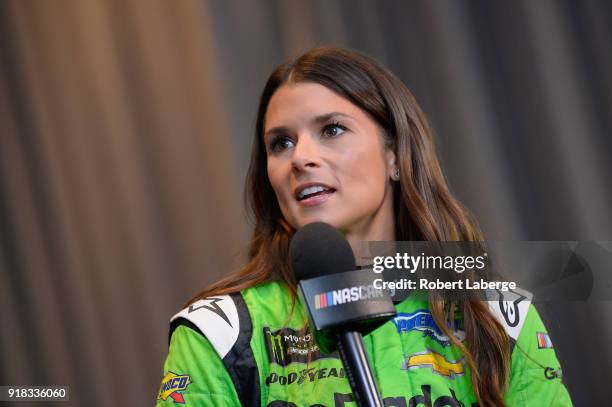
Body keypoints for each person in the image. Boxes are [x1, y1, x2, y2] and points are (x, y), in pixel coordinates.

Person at [155, 46, 572, 406]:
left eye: (332, 129)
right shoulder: (219, 332)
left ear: (395, 155)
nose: (300, 158)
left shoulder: (496, 311)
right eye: (280, 143)